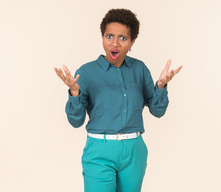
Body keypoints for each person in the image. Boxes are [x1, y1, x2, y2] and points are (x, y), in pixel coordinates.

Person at [54, 8, 182, 192]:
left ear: (132, 42)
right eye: (109, 36)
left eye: (123, 38)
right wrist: (74, 92)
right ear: (102, 37)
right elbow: (75, 121)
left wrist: (161, 85)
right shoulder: (87, 72)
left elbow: (158, 111)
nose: (115, 43)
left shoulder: (140, 69)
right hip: (99, 150)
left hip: (134, 151)